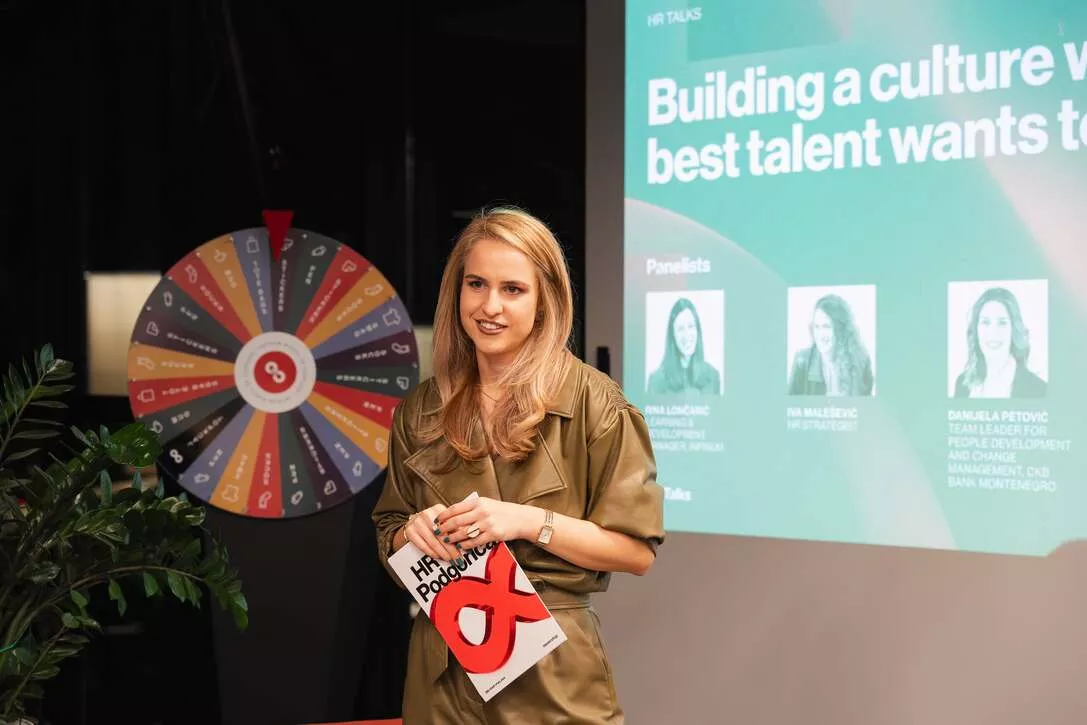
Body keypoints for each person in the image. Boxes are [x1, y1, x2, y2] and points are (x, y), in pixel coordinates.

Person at [372, 206, 664, 724]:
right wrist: (408, 533)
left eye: (513, 289)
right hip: (441, 664)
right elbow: (388, 528)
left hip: (550, 670)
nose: (490, 306)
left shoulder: (596, 403)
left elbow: (637, 551)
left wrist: (528, 521)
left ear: (545, 301)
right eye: (476, 284)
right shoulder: (420, 409)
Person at [952, 286, 1046, 398]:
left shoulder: (1039, 389)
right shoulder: (963, 384)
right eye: (985, 322)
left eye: (1002, 323)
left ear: (1013, 330)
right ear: (976, 329)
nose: (993, 332)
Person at [788, 293, 874, 396]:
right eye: (816, 327)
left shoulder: (861, 361)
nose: (820, 335)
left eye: (826, 326)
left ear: (841, 329)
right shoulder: (802, 361)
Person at [646, 296, 722, 395]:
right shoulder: (657, 380)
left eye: (691, 326)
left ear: (697, 330)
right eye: (680, 329)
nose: (687, 335)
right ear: (673, 335)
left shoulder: (713, 376)